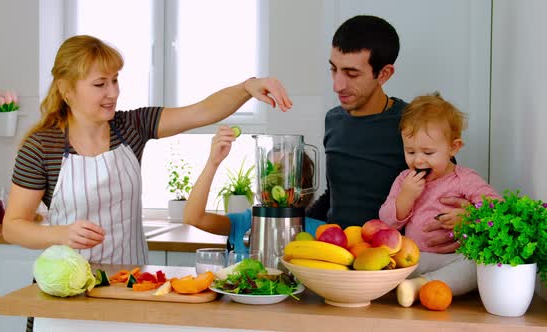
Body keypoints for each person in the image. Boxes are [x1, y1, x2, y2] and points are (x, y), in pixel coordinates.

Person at [2, 35, 293, 266]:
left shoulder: (131, 126)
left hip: (128, 286)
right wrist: (61, 234)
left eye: (115, 80)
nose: (113, 92)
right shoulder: (42, 147)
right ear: (66, 90)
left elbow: (202, 111)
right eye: (100, 84)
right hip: (67, 290)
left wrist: (248, 86)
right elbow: (13, 227)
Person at [305, 15, 468, 250]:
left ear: (384, 74)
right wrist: (297, 224)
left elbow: (448, 185)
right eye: (334, 69)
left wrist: (466, 216)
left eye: (351, 74)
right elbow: (335, 195)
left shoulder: (412, 124)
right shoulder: (333, 119)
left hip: (391, 258)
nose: (337, 85)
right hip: (336, 253)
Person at [378, 93, 500, 307]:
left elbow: (497, 208)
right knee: (382, 261)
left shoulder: (465, 179)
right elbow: (386, 223)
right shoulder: (403, 180)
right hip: (413, 257)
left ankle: (421, 287)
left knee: (478, 264)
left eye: (428, 152)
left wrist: (470, 216)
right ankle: (412, 284)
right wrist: (405, 197)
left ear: (453, 148)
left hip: (451, 258)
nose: (418, 160)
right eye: (410, 151)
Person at [183, 126, 325, 254]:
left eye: (281, 171)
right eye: (268, 171)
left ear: (300, 182)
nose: (272, 179)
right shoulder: (245, 222)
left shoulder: (320, 231)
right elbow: (193, 218)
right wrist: (213, 162)